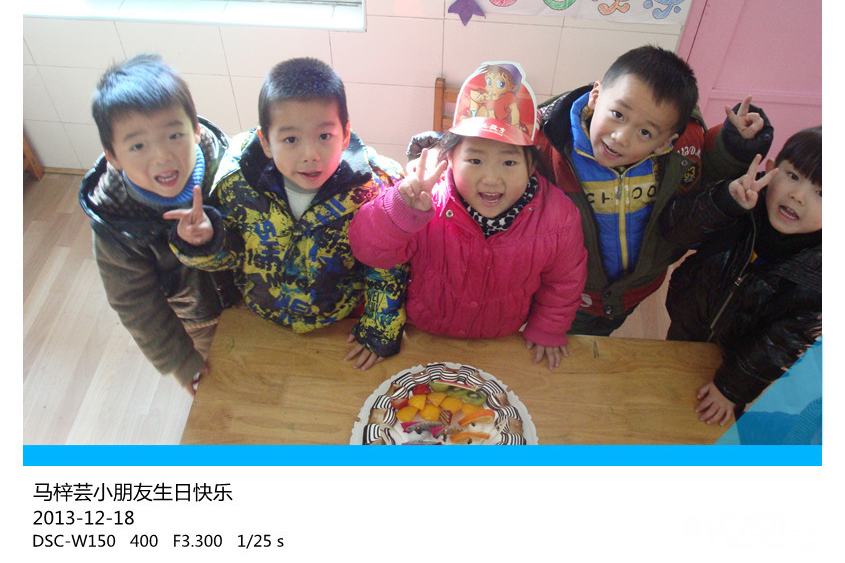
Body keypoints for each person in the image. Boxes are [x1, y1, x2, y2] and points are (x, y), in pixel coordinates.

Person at [165, 57, 407, 370]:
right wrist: (204, 240)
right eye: (290, 139)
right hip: (260, 320)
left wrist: (379, 329)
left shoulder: (374, 189)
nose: (310, 154)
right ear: (266, 142)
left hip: (340, 323)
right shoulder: (237, 182)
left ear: (345, 134)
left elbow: (387, 263)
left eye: (324, 136)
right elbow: (232, 255)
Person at [350, 63, 588, 370]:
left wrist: (547, 328)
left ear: (531, 167)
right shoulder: (424, 200)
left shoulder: (558, 218)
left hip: (502, 339)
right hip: (424, 333)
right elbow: (369, 250)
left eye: (509, 163)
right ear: (449, 159)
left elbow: (564, 282)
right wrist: (402, 208)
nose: (491, 179)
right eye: (475, 160)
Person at [533, 44, 773, 336]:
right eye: (617, 114)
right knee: (569, 340)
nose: (621, 137)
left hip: (636, 288)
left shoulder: (681, 149)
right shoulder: (548, 145)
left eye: (644, 132)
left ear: (663, 144)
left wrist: (735, 143)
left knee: (603, 335)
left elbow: (709, 175)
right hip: (570, 291)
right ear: (596, 97)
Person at [79, 54, 239, 395]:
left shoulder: (227, 167)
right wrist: (181, 361)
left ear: (195, 130)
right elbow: (134, 303)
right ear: (112, 155)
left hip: (249, 294)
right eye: (138, 145)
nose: (162, 156)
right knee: (226, 380)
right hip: (200, 317)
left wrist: (212, 236)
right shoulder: (117, 223)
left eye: (174, 135)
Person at [663, 127, 822, 426]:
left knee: (706, 425)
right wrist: (725, 202)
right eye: (793, 176)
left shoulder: (820, 272)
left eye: (822, 193)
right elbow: (675, 231)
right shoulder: (740, 200)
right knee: (664, 383)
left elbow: (780, 344)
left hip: (740, 362)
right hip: (688, 319)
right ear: (771, 169)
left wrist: (730, 390)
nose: (798, 196)